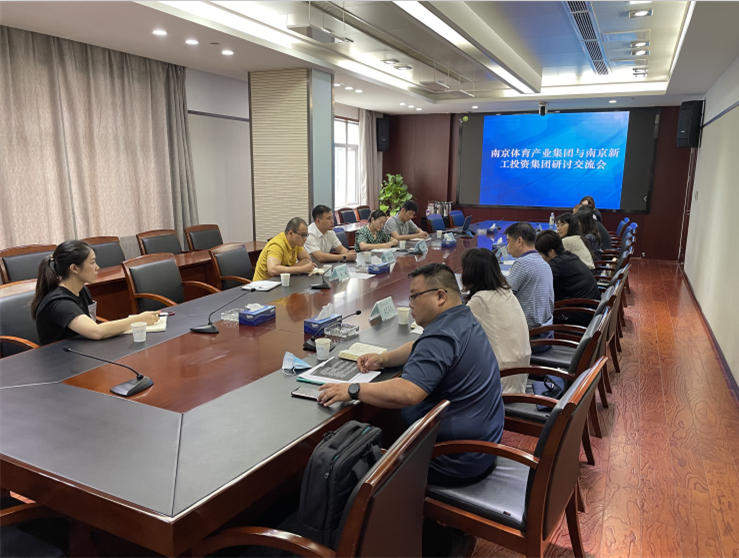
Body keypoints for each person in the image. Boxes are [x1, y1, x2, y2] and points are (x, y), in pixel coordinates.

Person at [317, 263, 504, 486]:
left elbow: (408, 393)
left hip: (452, 459)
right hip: (481, 446)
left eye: (414, 296)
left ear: (440, 296)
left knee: (349, 465)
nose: (410, 303)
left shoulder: (442, 335)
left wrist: (353, 389)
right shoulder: (460, 318)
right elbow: (420, 346)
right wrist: (384, 358)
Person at [32, 240, 160, 346]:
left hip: (80, 350)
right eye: (92, 263)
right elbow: (96, 332)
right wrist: (138, 319)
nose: (97, 267)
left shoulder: (82, 290)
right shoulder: (60, 303)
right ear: (74, 268)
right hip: (59, 360)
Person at [461, 248, 531, 394]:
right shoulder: (506, 292)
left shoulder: (480, 300)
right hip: (519, 374)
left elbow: (457, 333)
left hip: (501, 382)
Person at [504, 222, 554, 354]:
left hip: (531, 339)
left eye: (508, 242)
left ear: (519, 241)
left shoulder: (522, 264)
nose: (507, 247)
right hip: (547, 335)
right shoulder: (543, 262)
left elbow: (503, 297)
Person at [535, 231, 601, 327]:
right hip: (590, 312)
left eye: (540, 254)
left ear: (551, 252)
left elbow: (537, 287)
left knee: (535, 318)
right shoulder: (570, 256)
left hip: (579, 316)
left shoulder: (556, 265)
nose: (540, 258)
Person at [252, 217, 316, 282]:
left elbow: (307, 260)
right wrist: (301, 269)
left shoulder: (296, 243)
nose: (305, 239)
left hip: (281, 281)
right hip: (263, 284)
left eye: (306, 235)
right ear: (290, 233)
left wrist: (289, 269)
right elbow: (272, 270)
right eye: (303, 235)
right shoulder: (277, 244)